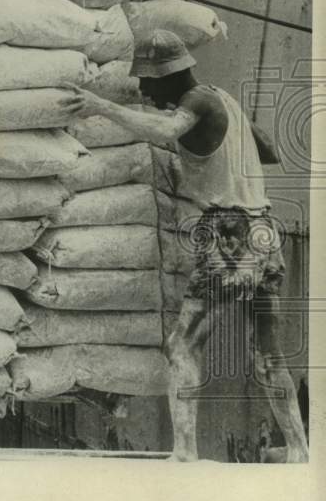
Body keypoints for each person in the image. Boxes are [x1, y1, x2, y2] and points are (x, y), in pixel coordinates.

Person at [65, 30, 309, 463]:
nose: (144, 91)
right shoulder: (225, 101)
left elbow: (165, 129)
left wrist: (102, 106)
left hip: (228, 235)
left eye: (148, 82)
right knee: (267, 354)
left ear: (167, 76)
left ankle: (184, 453)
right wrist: (223, 156)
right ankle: (299, 450)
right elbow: (268, 148)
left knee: (181, 346)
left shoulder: (195, 102)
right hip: (265, 232)